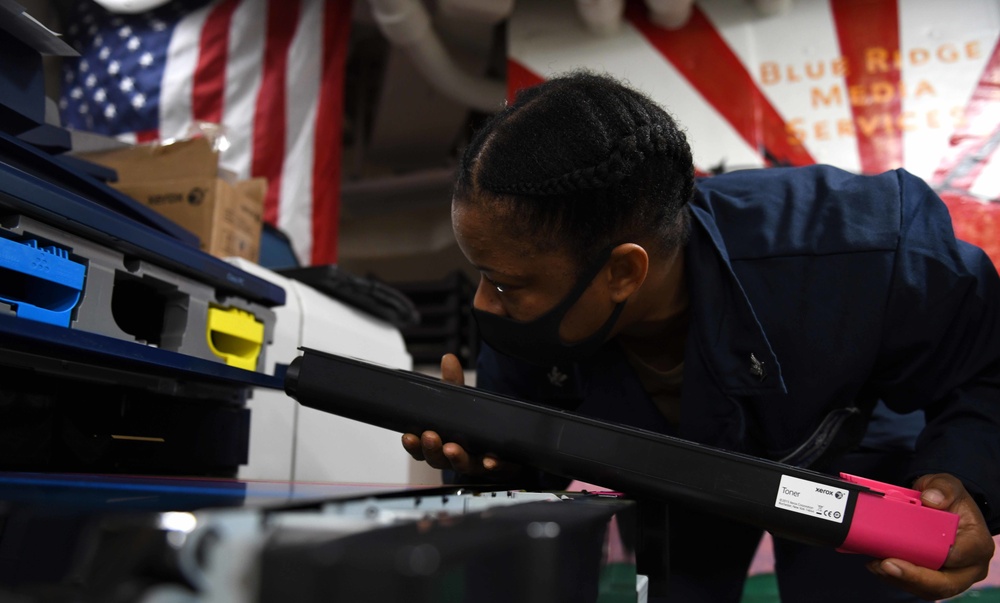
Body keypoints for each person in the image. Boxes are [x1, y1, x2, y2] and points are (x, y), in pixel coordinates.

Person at [400, 70, 999, 602]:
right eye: (481, 275)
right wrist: (485, 469)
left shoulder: (867, 245)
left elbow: (989, 367)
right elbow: (522, 477)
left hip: (846, 447)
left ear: (623, 272)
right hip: (672, 474)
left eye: (504, 283)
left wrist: (967, 480)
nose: (484, 303)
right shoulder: (530, 315)